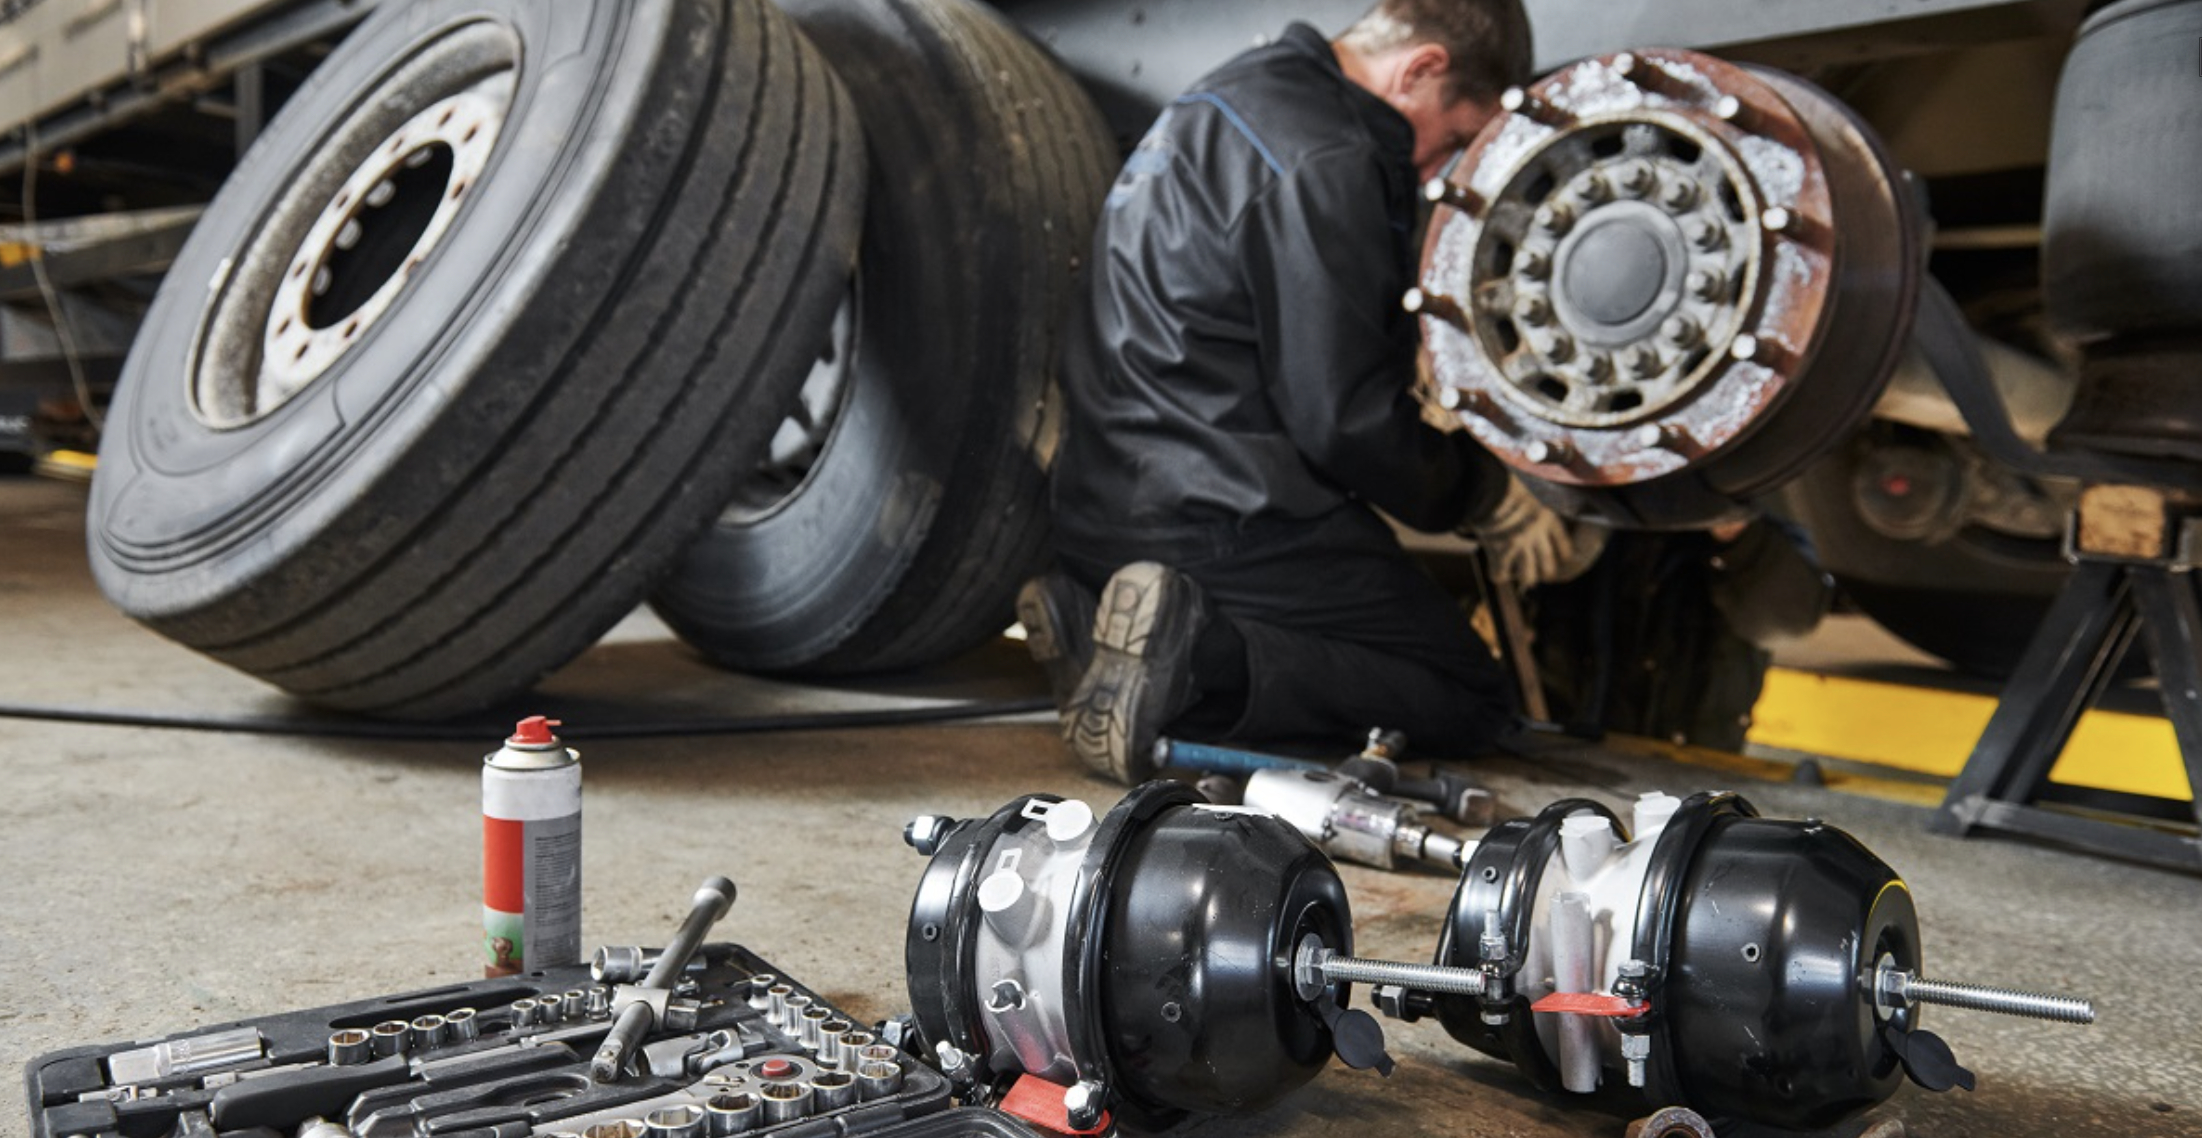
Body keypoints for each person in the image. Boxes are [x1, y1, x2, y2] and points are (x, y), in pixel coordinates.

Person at [1019, 0, 1579, 784]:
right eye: (1451, 139)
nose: (1436, 171)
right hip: (1218, 517)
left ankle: (1095, 616)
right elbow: (1343, 420)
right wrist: (1482, 493)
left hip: (1101, 502)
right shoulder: (1332, 152)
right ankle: (1195, 659)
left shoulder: (1227, 95)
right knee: (1469, 694)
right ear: (1420, 69)